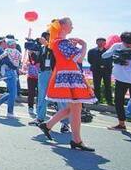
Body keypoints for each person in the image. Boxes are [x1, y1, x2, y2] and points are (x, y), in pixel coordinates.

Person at [37, 18, 96, 151]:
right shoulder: (61, 42)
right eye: (70, 25)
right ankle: (76, 140)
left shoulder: (57, 42)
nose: (72, 27)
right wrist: (84, 44)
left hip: (68, 75)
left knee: (74, 108)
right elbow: (79, 59)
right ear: (62, 26)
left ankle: (48, 125)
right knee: (75, 107)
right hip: (69, 76)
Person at [0, 38, 21, 116]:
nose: (15, 45)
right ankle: (9, 112)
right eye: (4, 41)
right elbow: (4, 60)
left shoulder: (5, 50)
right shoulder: (1, 50)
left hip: (10, 71)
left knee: (13, 92)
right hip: (9, 71)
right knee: (13, 93)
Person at [87, 37, 113, 105]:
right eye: (99, 41)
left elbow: (110, 60)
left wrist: (104, 66)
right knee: (96, 86)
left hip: (106, 70)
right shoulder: (91, 51)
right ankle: (97, 100)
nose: (101, 43)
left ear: (105, 43)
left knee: (108, 86)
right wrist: (98, 65)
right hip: (96, 70)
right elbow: (90, 60)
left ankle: (109, 101)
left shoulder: (108, 51)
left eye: (102, 42)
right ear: (96, 42)